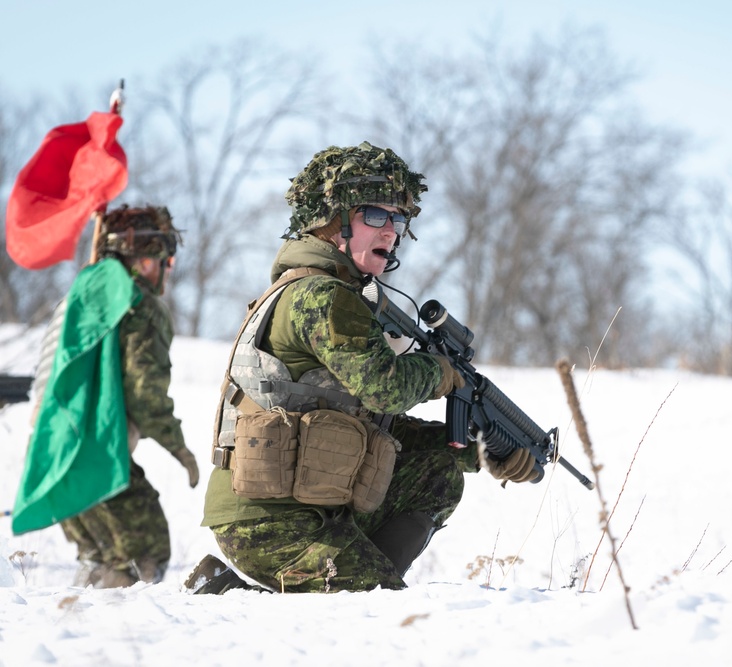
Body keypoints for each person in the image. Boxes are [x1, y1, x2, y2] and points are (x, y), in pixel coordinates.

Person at [189, 142, 537, 595]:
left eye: (397, 219)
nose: (391, 231)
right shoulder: (322, 296)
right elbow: (385, 388)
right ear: (333, 221)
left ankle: (269, 588)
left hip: (308, 506)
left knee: (436, 475)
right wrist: (439, 373)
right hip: (270, 521)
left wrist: (483, 452)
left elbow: (379, 429)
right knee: (378, 608)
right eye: (376, 215)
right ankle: (290, 592)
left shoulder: (334, 296)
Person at [17, 204, 199, 588]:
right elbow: (144, 391)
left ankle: (75, 634)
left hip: (54, 449)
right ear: (147, 260)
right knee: (144, 552)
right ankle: (118, 643)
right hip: (94, 453)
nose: (166, 269)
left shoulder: (82, 292)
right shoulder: (137, 304)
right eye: (164, 260)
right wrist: (179, 448)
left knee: (99, 557)